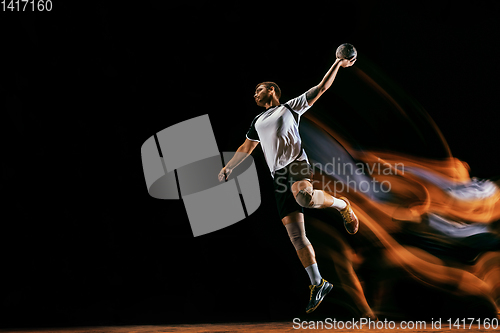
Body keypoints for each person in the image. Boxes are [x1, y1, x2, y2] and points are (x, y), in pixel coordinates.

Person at [218, 55, 358, 313]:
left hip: (296, 164)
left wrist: (338, 63)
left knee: (303, 197)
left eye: (259, 89)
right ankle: (318, 283)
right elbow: (246, 148)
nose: (255, 95)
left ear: (272, 90)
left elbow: (322, 87)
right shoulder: (256, 122)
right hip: (278, 175)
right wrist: (229, 167)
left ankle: (342, 205)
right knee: (296, 235)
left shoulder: (291, 107)